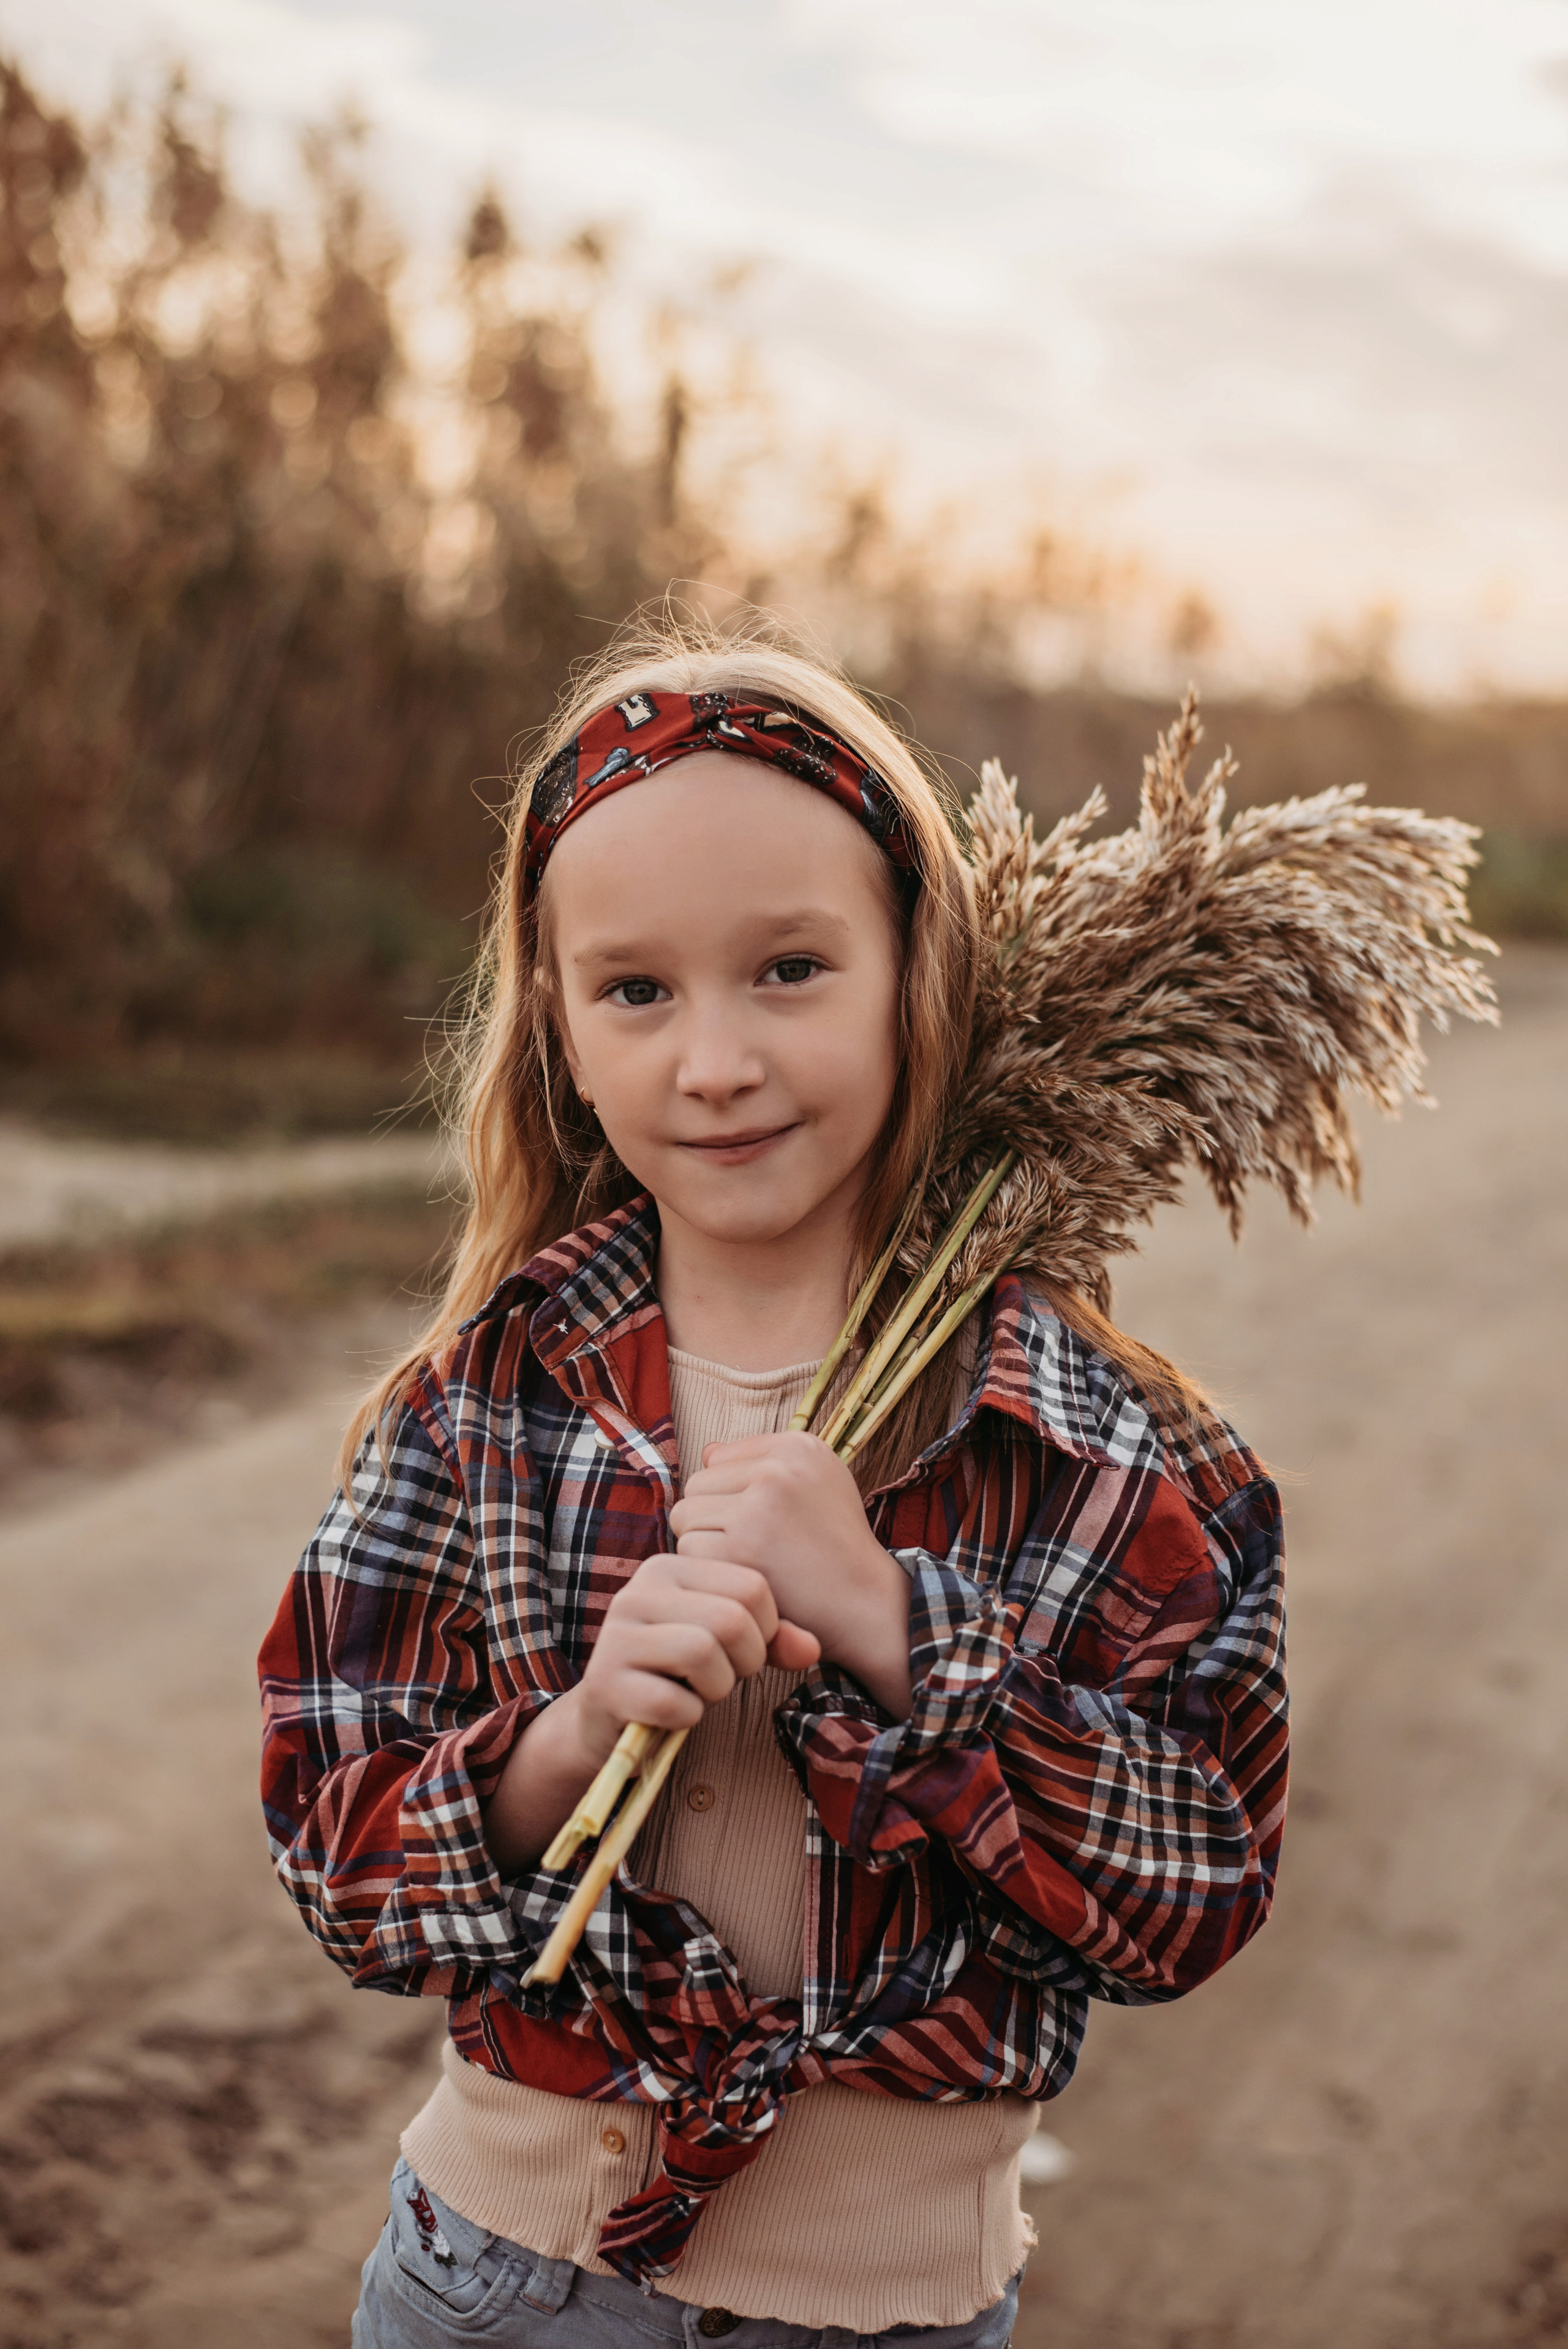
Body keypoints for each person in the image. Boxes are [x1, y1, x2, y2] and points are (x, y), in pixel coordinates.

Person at [258, 618, 1287, 2348]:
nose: (714, 1059)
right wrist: (565, 1746)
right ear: (560, 1031)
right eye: (637, 989)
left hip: (886, 2312)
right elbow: (327, 1832)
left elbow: (1192, 1887)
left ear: (920, 973)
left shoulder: (1098, 1445)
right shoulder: (486, 1399)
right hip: (501, 2281)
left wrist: (900, 1626)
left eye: (790, 969)